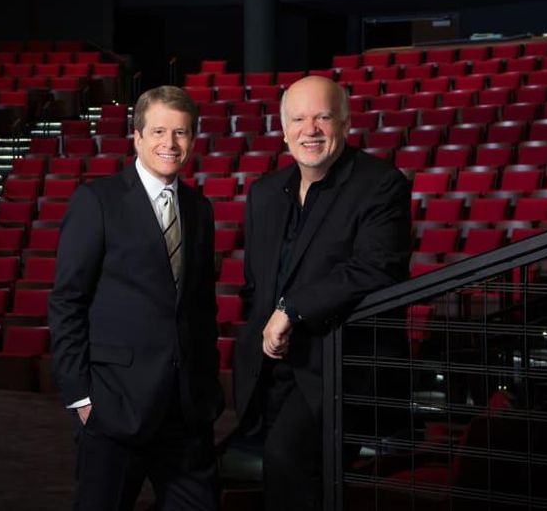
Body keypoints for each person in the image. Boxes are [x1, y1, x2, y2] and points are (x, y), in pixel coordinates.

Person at [233, 75, 412, 510]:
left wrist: (291, 310)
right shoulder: (264, 193)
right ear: (283, 129)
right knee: (282, 477)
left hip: (340, 365)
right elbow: (256, 283)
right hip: (273, 366)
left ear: (346, 123)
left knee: (289, 462)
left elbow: (376, 269)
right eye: (298, 119)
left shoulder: (381, 183)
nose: (309, 130)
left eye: (323, 117)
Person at [49, 85, 222, 511]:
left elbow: (200, 307)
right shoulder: (97, 201)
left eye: (181, 132)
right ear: (138, 136)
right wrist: (81, 398)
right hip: (116, 406)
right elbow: (68, 301)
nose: (170, 143)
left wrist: (206, 388)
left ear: (193, 138)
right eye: (159, 131)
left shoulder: (199, 209)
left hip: (185, 411)